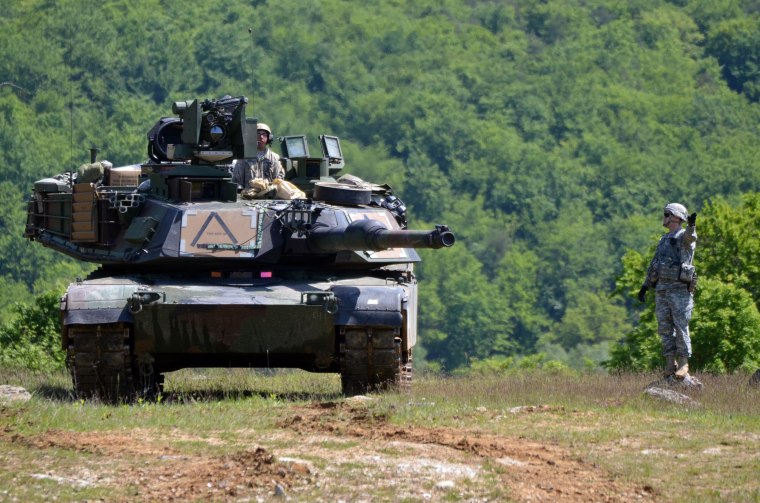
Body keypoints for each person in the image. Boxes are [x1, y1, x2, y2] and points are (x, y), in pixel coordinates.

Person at [638, 203, 697, 380]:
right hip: (662, 290)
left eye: (666, 214)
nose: (664, 218)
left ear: (676, 217)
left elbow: (690, 238)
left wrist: (691, 226)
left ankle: (684, 362)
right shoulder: (664, 240)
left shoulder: (683, 237)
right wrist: (645, 286)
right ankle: (670, 363)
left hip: (679, 290)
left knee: (681, 326)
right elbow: (654, 265)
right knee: (664, 328)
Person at [231, 123, 284, 188]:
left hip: (268, 195)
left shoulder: (274, 158)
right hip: (248, 195)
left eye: (264, 134)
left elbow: (279, 180)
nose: (261, 137)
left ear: (269, 138)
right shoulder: (244, 157)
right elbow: (237, 181)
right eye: (258, 134)